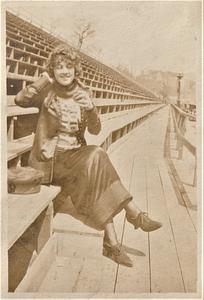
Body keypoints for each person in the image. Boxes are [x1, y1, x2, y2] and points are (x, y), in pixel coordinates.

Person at [15, 44, 162, 267]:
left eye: (68, 67)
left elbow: (94, 130)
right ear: (53, 70)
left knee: (96, 158)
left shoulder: (83, 93)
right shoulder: (46, 90)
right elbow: (20, 100)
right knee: (96, 158)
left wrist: (91, 108)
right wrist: (44, 78)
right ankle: (132, 214)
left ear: (76, 70)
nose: (64, 71)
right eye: (59, 67)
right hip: (50, 162)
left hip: (75, 156)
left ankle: (113, 241)